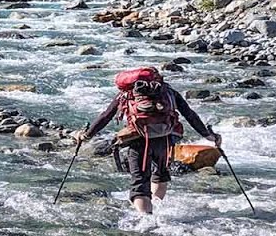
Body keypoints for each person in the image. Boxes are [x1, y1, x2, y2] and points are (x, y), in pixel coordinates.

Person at [75, 67, 221, 215]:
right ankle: (157, 209)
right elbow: (190, 115)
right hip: (164, 141)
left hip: (139, 143)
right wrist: (209, 136)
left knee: (140, 184)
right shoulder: (168, 92)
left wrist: (86, 135)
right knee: (160, 174)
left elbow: (106, 116)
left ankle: (146, 219)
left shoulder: (127, 94)